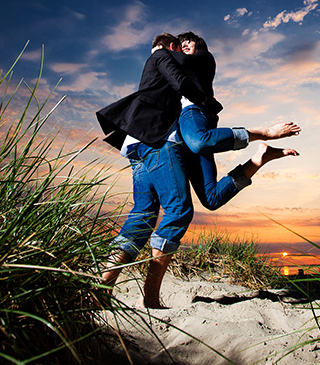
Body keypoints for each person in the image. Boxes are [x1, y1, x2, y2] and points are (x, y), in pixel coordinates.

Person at [96, 33, 299, 308]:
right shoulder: (164, 56)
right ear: (171, 47)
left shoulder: (194, 60)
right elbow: (176, 75)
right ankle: (151, 297)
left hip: (140, 143)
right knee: (178, 210)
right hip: (160, 140)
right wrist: (201, 96)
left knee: (147, 213)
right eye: (179, 46)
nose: (183, 50)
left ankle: (102, 286)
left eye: (187, 45)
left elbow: (178, 74)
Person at [173, 31, 300, 212]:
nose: (184, 44)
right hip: (184, 136)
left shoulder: (202, 58)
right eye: (180, 43)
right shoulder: (176, 66)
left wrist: (161, 52)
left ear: (198, 44)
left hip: (192, 115)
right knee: (212, 199)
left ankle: (264, 133)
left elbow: (180, 63)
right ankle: (260, 159)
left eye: (189, 41)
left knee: (200, 141)